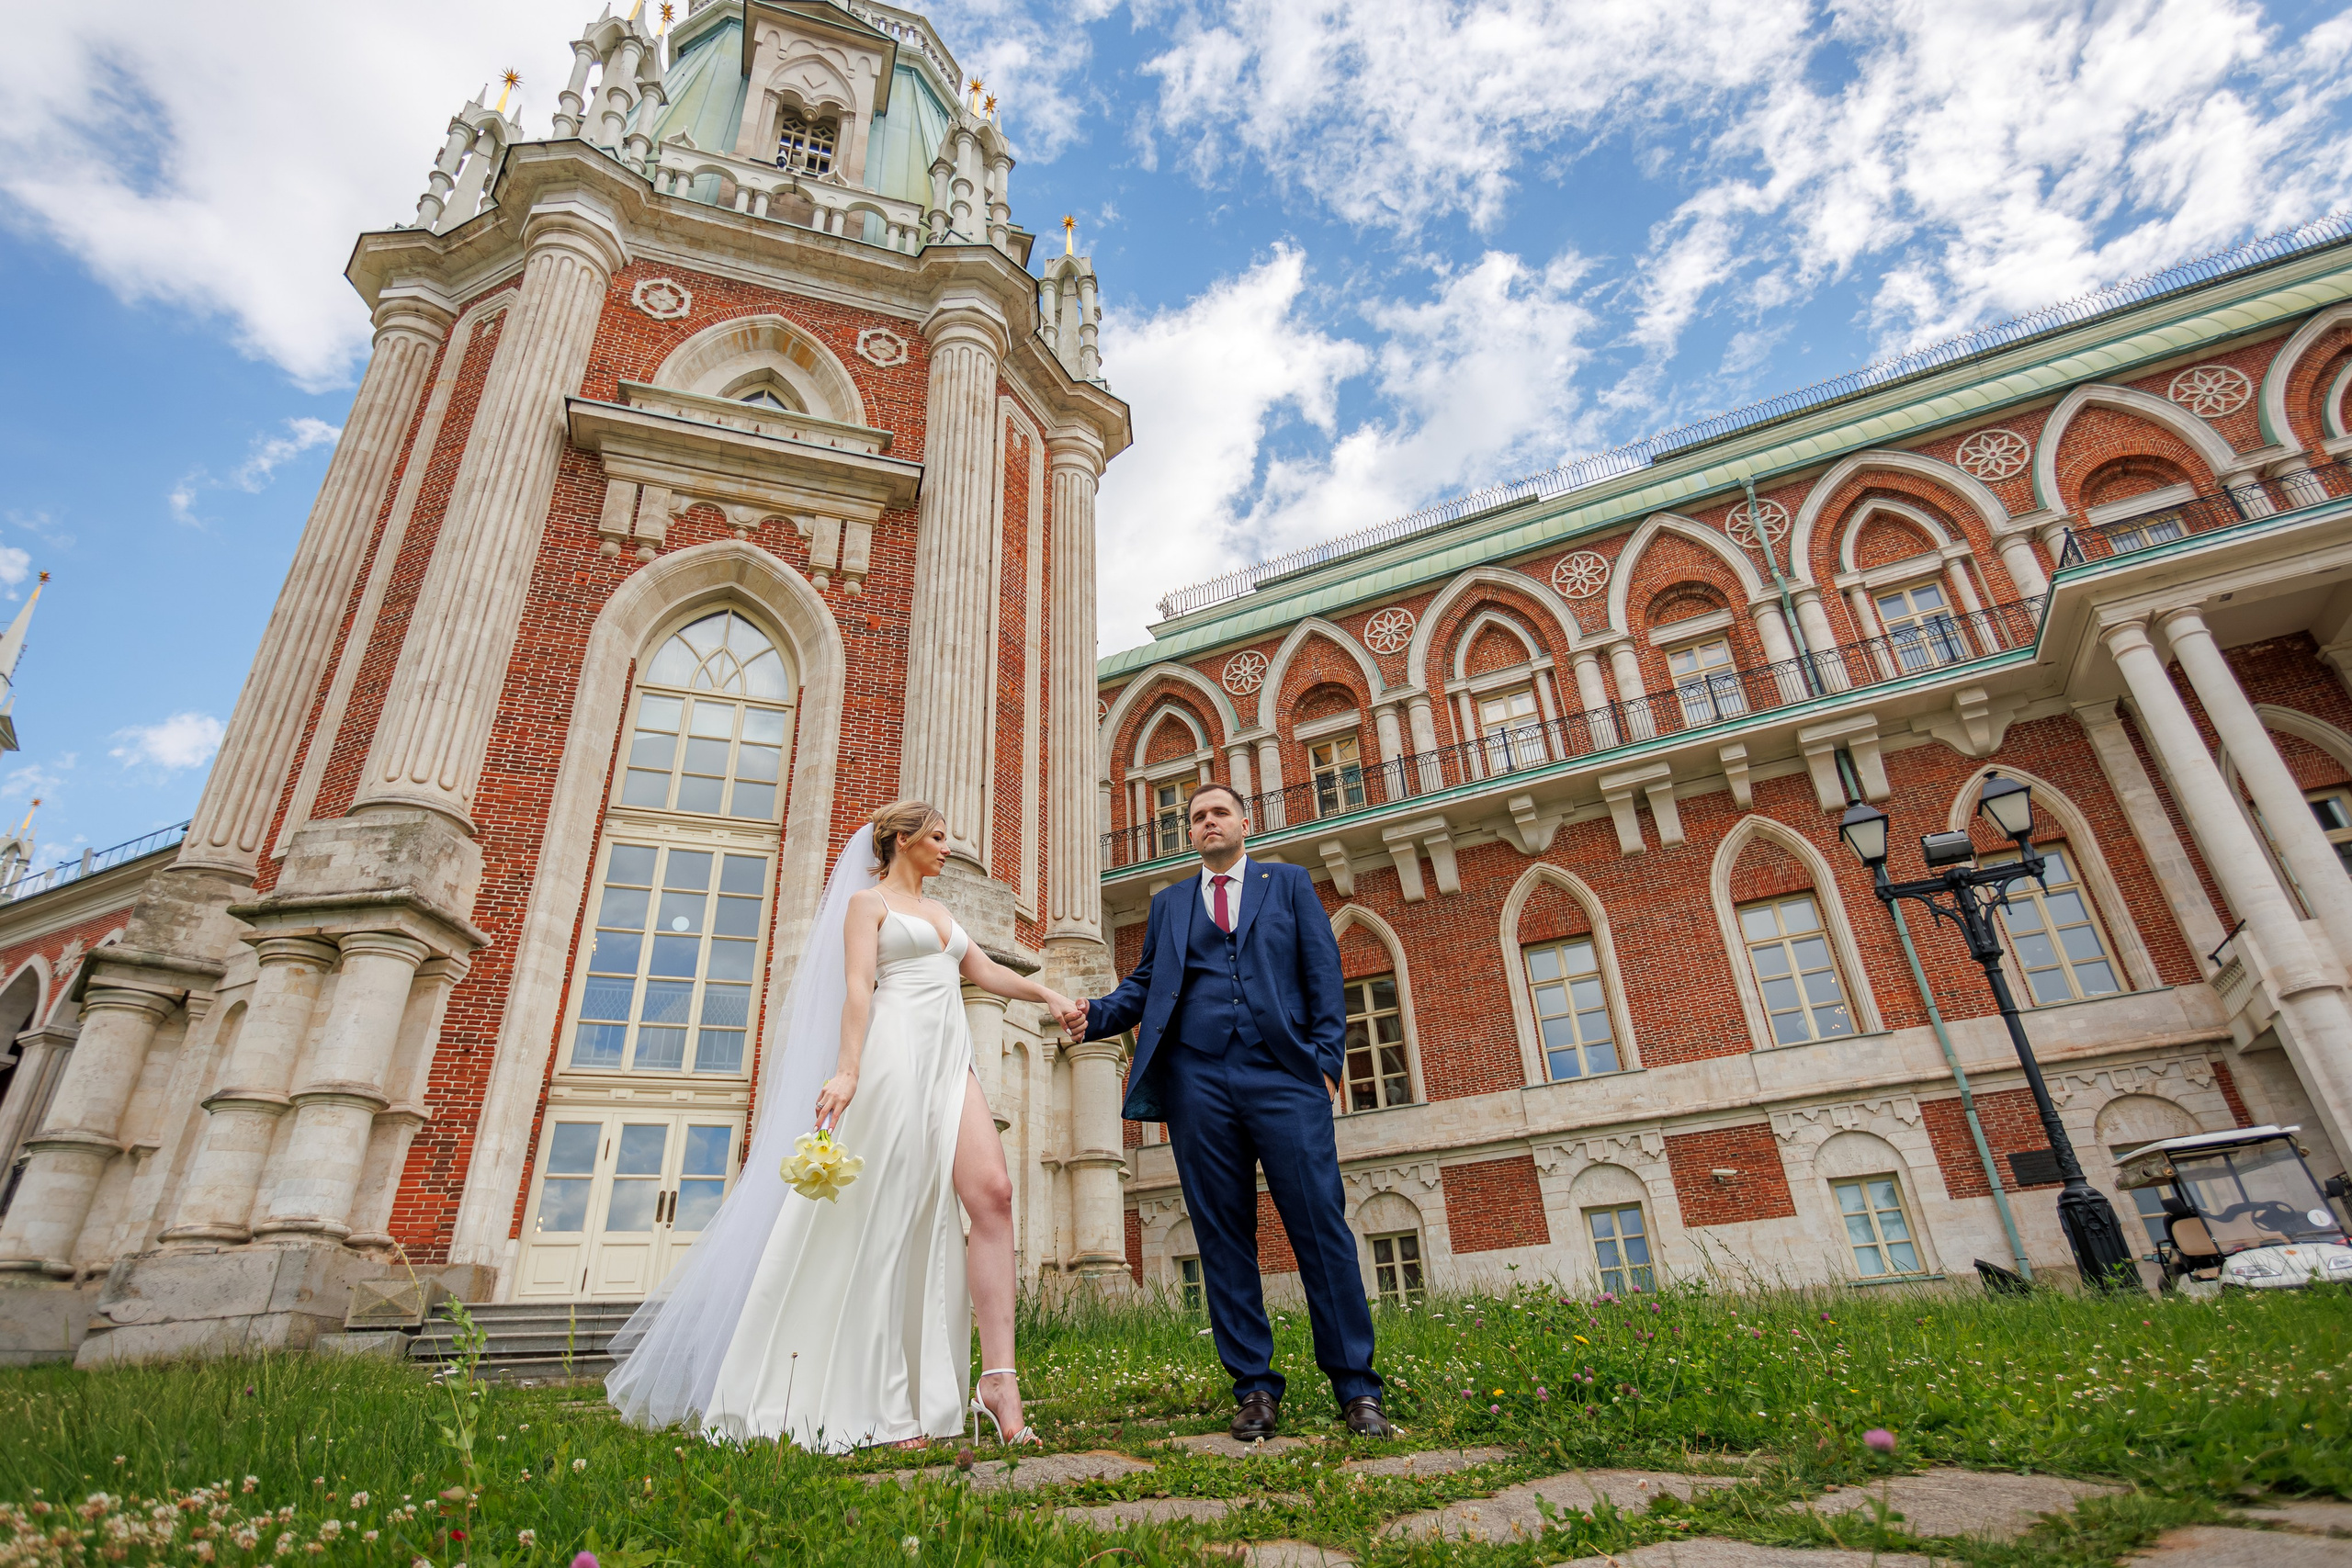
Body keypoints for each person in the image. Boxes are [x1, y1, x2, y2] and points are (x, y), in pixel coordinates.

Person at [606, 801, 1080, 1452]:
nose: (947, 847)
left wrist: (1049, 994)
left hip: (949, 1057)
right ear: (902, 839)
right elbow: (860, 987)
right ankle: (886, 1405)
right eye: (937, 836)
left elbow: (986, 971)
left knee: (993, 1192)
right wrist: (848, 1071)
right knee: (888, 1216)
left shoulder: (944, 914)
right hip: (892, 1055)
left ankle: (999, 1378)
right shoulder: (868, 905)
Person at [1055, 784, 1389, 1439]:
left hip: (1284, 1076)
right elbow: (1147, 984)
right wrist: (1094, 1015)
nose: (1206, 822)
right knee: (1223, 1237)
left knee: (1320, 1226)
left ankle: (1357, 1389)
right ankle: (1255, 1390)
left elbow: (1325, 972)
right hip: (1198, 1082)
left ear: (1244, 821)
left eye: (1217, 812)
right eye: (1195, 816)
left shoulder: (1288, 883)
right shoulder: (1171, 903)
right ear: (1192, 833)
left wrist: (1325, 1064)